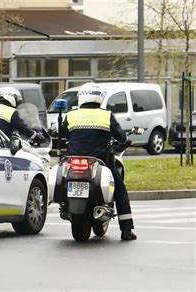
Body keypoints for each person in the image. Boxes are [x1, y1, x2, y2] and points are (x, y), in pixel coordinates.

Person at [61, 82, 137, 240]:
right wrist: (125, 140)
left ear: (81, 97)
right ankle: (126, 230)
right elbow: (121, 137)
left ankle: (65, 206)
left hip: (73, 163)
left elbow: (64, 136)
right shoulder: (106, 115)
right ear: (99, 98)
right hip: (100, 162)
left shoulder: (71, 115)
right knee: (120, 190)